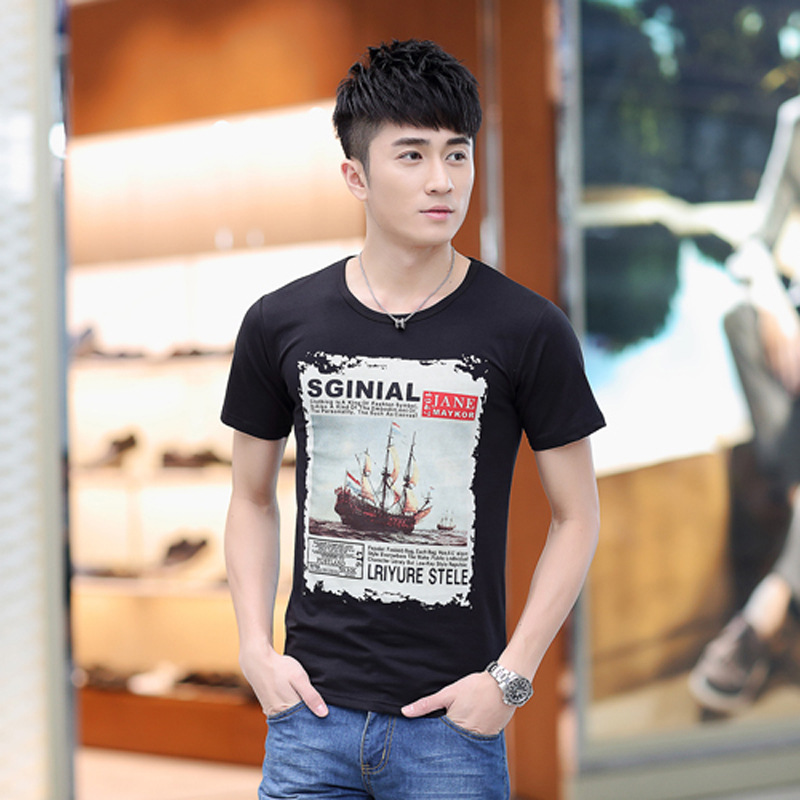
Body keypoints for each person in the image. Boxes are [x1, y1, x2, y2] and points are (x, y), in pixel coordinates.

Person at [221, 38, 604, 799]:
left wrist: (511, 679)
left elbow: (579, 516)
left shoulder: (528, 329)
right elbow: (251, 498)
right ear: (356, 176)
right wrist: (254, 651)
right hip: (309, 719)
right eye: (413, 155)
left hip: (452, 731)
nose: (443, 180)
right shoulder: (280, 322)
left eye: (458, 153)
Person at [689, 96, 800, 714]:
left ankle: (765, 613)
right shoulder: (797, 121)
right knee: (743, 320)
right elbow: (755, 242)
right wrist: (773, 301)